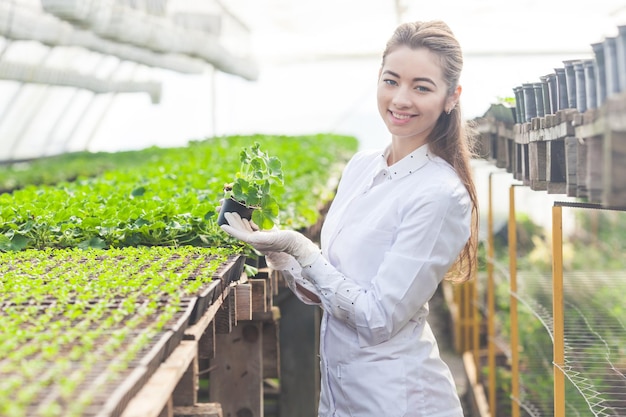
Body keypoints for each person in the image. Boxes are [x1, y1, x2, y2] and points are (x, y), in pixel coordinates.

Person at [220, 20, 479, 417]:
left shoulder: (440, 195)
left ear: (451, 97)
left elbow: (377, 318)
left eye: (421, 87)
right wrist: (280, 255)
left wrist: (302, 248)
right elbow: (332, 286)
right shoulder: (361, 168)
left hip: (397, 399)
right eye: (391, 81)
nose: (401, 98)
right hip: (341, 397)